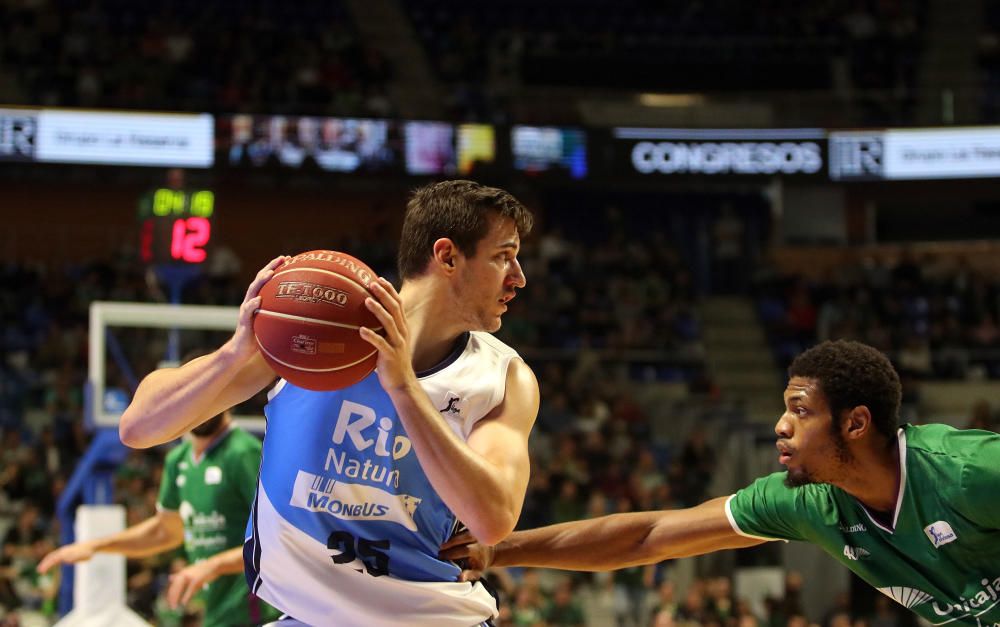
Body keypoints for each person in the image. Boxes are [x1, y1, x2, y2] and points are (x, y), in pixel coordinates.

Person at [118, 180, 540, 626]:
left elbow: (493, 519)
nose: (519, 277)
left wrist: (404, 390)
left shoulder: (503, 378)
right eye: (503, 256)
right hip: (307, 616)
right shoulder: (319, 332)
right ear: (448, 257)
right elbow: (139, 427)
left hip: (433, 616)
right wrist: (233, 354)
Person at [442, 340, 1000, 626]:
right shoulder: (805, 502)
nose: (780, 426)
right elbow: (650, 535)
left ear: (855, 423)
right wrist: (501, 551)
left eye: (800, 411)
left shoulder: (969, 472)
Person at [38, 400, 279, 627]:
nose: (202, 406)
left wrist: (212, 566)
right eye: (194, 398)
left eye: (212, 397)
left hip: (253, 611)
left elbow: (274, 540)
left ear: (228, 398)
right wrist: (94, 546)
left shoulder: (243, 452)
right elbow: (165, 532)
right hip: (214, 610)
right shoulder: (178, 460)